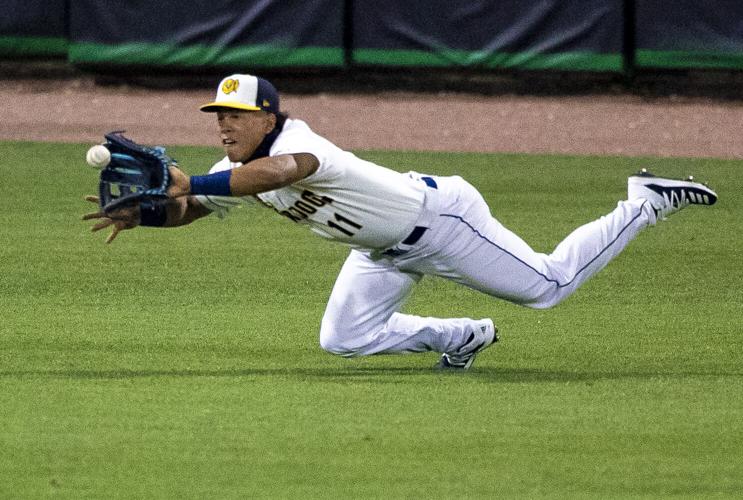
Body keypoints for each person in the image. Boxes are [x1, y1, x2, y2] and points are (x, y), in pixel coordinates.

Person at [83, 74, 718, 370]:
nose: (223, 125)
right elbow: (198, 204)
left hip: (441, 222)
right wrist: (149, 217)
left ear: (269, 118)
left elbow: (279, 176)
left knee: (548, 287)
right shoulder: (234, 166)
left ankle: (644, 201)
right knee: (343, 341)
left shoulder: (299, 143)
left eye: (237, 115)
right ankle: (463, 336)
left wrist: (193, 181)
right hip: (381, 252)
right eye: (217, 116)